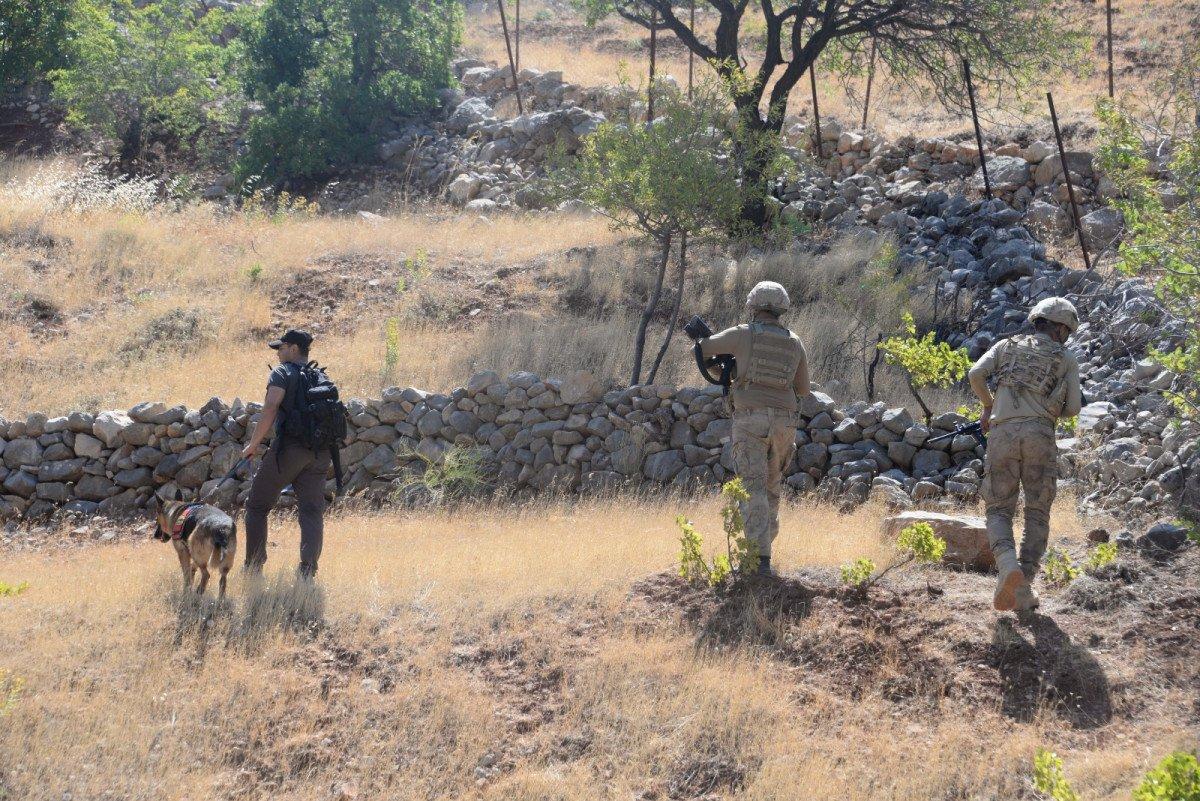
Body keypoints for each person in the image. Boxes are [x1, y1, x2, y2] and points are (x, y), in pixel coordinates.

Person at [969, 297, 1083, 612]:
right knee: (1037, 513)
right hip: (1040, 437)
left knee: (998, 510)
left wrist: (989, 405)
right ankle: (1025, 583)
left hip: (1002, 434)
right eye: (1068, 332)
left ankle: (1008, 568)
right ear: (1060, 328)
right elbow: (1073, 409)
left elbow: (975, 374)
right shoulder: (1066, 358)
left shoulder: (1006, 346)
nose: (1067, 337)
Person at [698, 281, 811, 576]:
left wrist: (731, 368)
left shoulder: (742, 334)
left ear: (754, 306)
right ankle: (765, 555)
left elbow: (704, 348)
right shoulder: (794, 341)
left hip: (751, 419)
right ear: (781, 308)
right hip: (785, 422)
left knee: (752, 487)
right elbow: (803, 388)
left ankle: (756, 560)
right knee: (772, 487)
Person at [242, 329, 332, 578]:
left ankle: (253, 568)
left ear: (293, 349)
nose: (278, 353)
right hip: (321, 454)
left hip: (289, 451)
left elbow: (271, 407)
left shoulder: (282, 372)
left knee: (257, 506)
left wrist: (252, 446)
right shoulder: (321, 376)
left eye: (281, 348)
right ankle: (307, 571)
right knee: (312, 511)